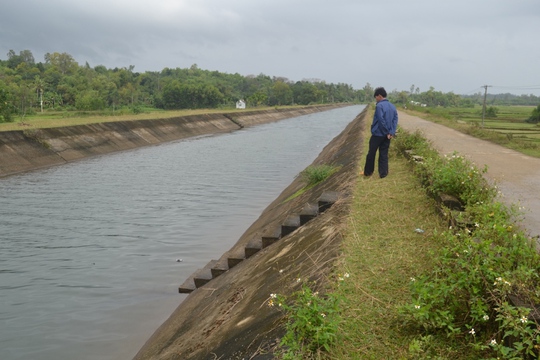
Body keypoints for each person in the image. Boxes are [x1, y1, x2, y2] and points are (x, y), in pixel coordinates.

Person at [361, 87, 398, 178]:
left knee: (371, 153)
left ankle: (368, 172)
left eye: (376, 97)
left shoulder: (379, 106)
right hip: (388, 135)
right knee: (384, 154)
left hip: (378, 134)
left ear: (379, 96)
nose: (376, 99)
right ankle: (383, 173)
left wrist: (386, 132)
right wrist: (391, 132)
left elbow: (381, 121)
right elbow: (395, 120)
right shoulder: (392, 106)